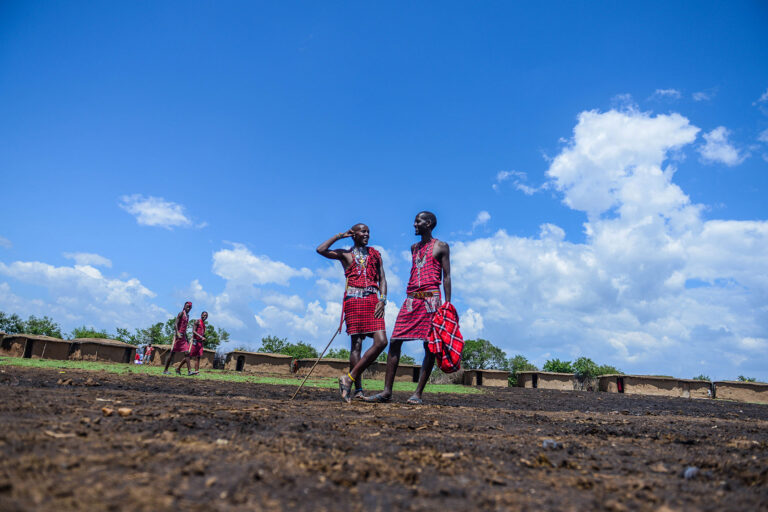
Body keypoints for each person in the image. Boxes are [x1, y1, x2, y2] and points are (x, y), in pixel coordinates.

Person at [364, 211, 451, 405]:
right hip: (411, 300)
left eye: (417, 221)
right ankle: (387, 392)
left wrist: (447, 305)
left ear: (428, 224)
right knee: (395, 341)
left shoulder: (441, 246)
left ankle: (417, 394)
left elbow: (446, 276)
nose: (414, 224)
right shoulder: (414, 248)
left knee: (429, 345)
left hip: (431, 300)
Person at [316, 224, 388, 402]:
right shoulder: (345, 254)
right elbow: (320, 249)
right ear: (353, 234)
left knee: (381, 341)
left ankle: (348, 377)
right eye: (363, 231)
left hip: (373, 300)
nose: (367, 234)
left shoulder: (375, 254)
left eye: (368, 232)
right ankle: (358, 390)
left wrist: (383, 299)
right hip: (353, 300)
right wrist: (340, 235)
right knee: (356, 345)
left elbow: (382, 278)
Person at [163, 301, 194, 376]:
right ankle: (165, 370)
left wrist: (186, 337)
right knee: (172, 353)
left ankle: (189, 371)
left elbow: (184, 327)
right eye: (187, 306)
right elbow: (175, 324)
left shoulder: (188, 316)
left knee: (187, 353)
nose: (188, 308)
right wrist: (177, 333)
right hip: (178, 336)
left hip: (183, 337)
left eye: (189, 307)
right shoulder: (181, 314)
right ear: (184, 306)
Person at [188, 311, 208, 375]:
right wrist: (201, 337)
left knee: (198, 357)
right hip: (195, 341)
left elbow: (202, 333)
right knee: (189, 356)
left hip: (200, 343)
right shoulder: (197, 321)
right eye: (204, 315)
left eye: (206, 316)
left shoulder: (204, 326)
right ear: (201, 315)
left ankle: (196, 372)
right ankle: (178, 368)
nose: (205, 317)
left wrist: (203, 338)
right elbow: (193, 331)